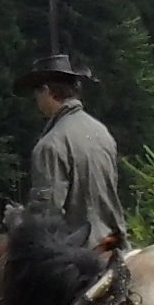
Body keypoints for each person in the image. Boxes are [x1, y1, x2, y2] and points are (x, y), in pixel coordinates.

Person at [22, 52, 124, 246]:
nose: (36, 100)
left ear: (46, 91)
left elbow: (46, 213)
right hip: (113, 242)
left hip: (78, 249)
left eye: (37, 93)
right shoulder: (101, 132)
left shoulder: (51, 144)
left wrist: (20, 222)